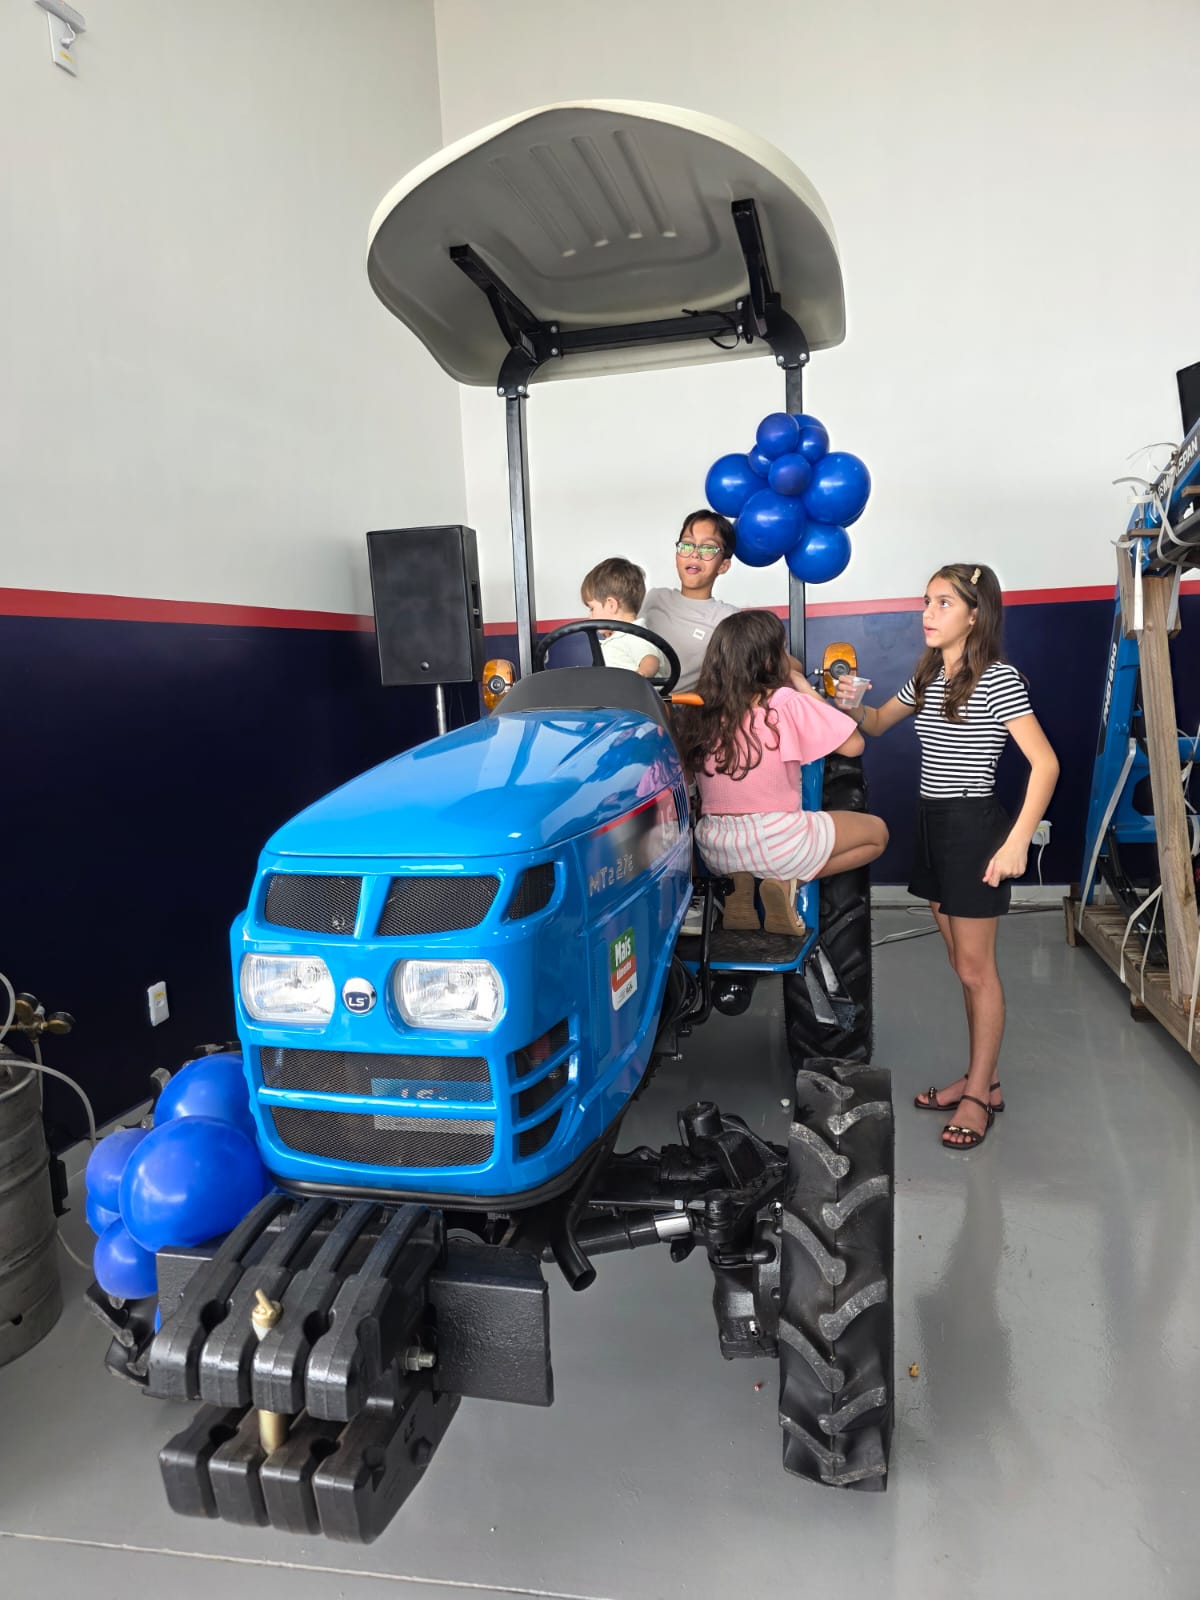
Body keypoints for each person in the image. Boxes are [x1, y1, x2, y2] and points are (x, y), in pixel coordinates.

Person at [835, 563, 1059, 1151]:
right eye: (926, 602)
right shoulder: (931, 672)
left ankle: (977, 1094)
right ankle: (986, 1079)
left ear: (975, 615)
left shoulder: (999, 678)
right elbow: (877, 724)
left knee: (976, 970)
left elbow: (1046, 763)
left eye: (943, 603)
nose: (927, 614)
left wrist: (1016, 841)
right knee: (962, 964)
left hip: (973, 828)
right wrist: (849, 703)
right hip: (932, 823)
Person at [676, 611, 888, 935]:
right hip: (778, 843)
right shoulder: (784, 701)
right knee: (877, 834)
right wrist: (800, 683)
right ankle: (790, 883)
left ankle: (742, 889)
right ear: (771, 661)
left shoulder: (699, 710)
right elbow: (854, 745)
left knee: (749, 853)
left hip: (717, 851)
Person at [638, 511, 741, 693]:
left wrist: (794, 674)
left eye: (708, 548)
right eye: (687, 545)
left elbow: (776, 662)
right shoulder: (654, 598)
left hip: (683, 706)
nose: (694, 554)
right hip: (634, 700)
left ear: (723, 566)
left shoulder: (728, 618)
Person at [580, 557, 669, 679]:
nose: (590, 616)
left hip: (635, 690)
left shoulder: (635, 634)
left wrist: (640, 675)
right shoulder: (619, 637)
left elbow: (651, 660)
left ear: (611, 605)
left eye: (592, 608)